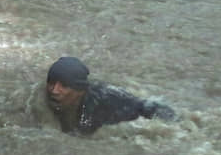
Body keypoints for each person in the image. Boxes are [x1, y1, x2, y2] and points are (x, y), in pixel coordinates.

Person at [45, 56, 175, 135]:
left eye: (64, 86)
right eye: (51, 82)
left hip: (152, 113)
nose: (54, 90)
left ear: (80, 90)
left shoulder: (94, 109)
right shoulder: (50, 95)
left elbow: (80, 137)